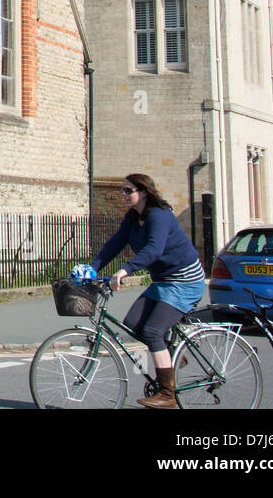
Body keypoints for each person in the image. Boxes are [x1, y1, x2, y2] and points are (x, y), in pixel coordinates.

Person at [90, 173, 205, 408]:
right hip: (163, 281)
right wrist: (91, 268)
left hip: (185, 281)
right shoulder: (133, 218)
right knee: (132, 323)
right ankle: (172, 355)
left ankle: (167, 395)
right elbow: (116, 242)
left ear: (143, 192)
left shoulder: (159, 216)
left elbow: (154, 249)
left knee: (152, 330)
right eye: (123, 190)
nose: (123, 194)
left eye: (128, 190)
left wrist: (124, 271)